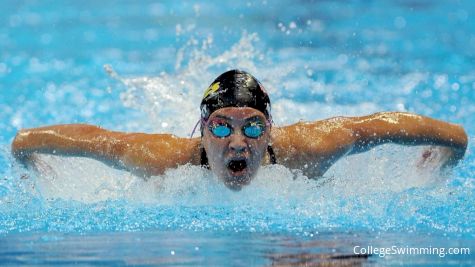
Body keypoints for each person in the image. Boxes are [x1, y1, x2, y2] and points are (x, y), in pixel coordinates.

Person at [12, 70, 468, 190]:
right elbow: (80, 139)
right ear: (201, 129)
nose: (236, 142)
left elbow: (383, 126)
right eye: (221, 126)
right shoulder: (161, 160)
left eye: (252, 129)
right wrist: (30, 163)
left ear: (270, 131)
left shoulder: (310, 148)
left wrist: (444, 158)